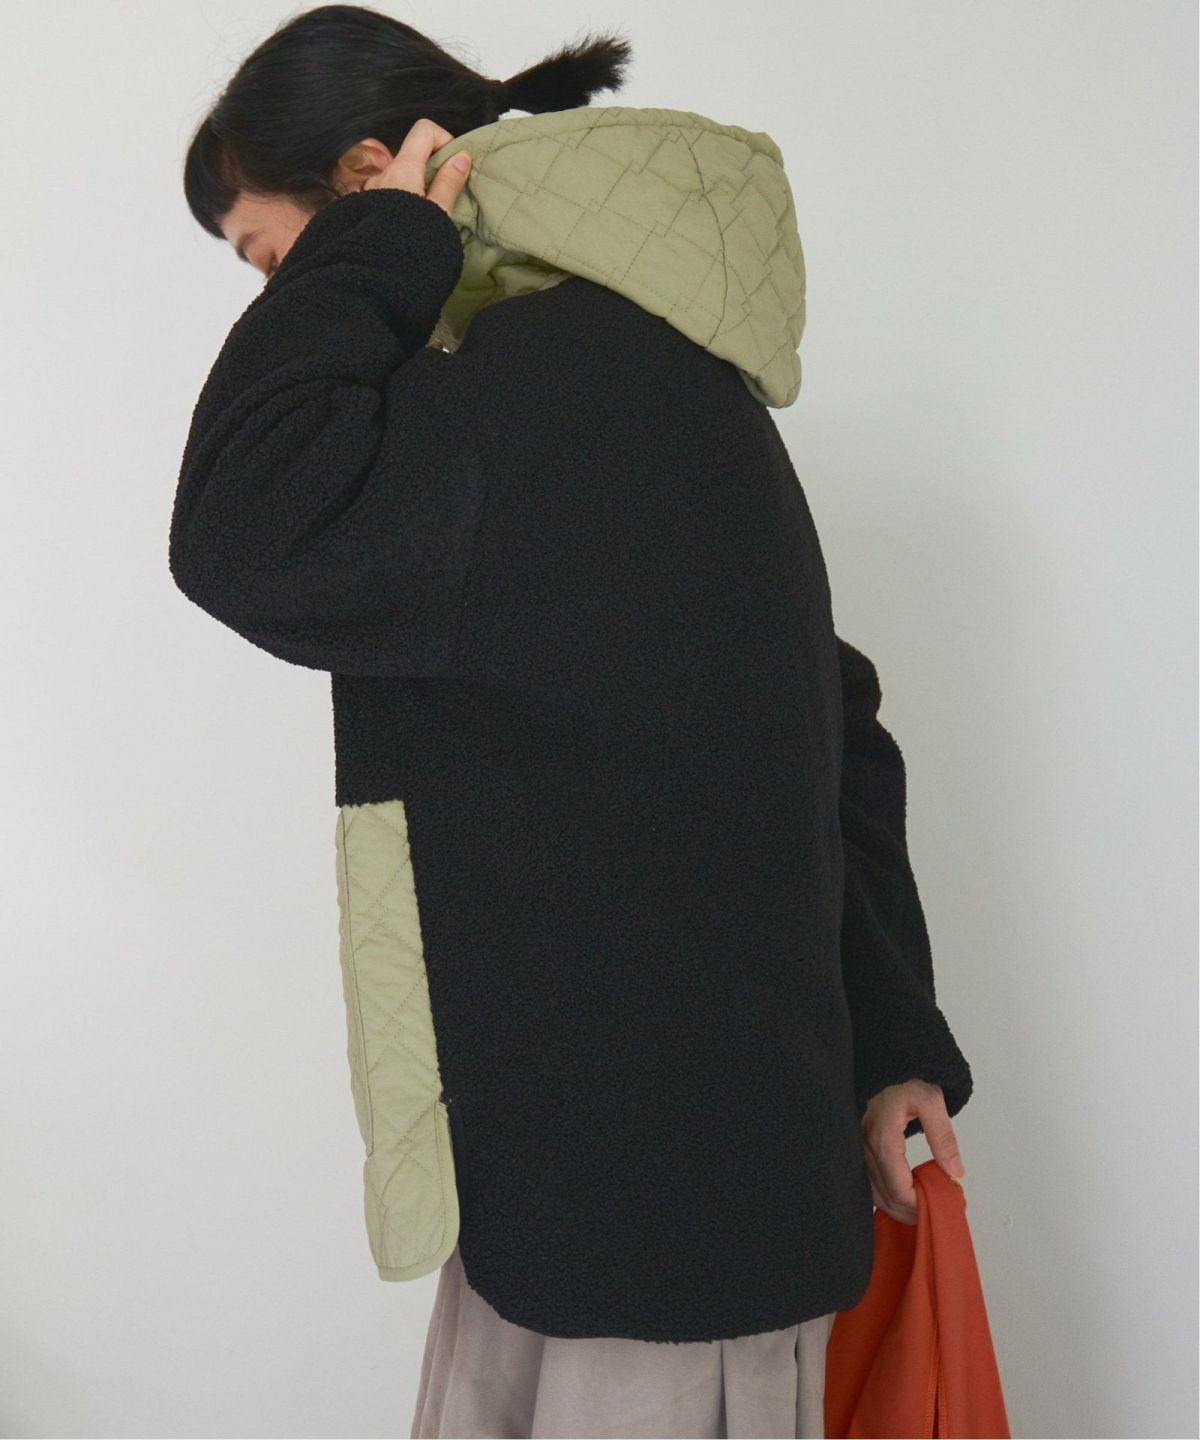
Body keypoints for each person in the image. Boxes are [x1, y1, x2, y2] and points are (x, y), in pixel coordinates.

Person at [171, 6, 974, 1436]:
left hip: (644, 1221)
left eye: (274, 258)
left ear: (367, 179)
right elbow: (818, 711)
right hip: (641, 1182)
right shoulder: (638, 368)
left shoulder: (544, 382)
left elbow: (244, 529)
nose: (279, 303)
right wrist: (892, 1035)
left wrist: (380, 247)